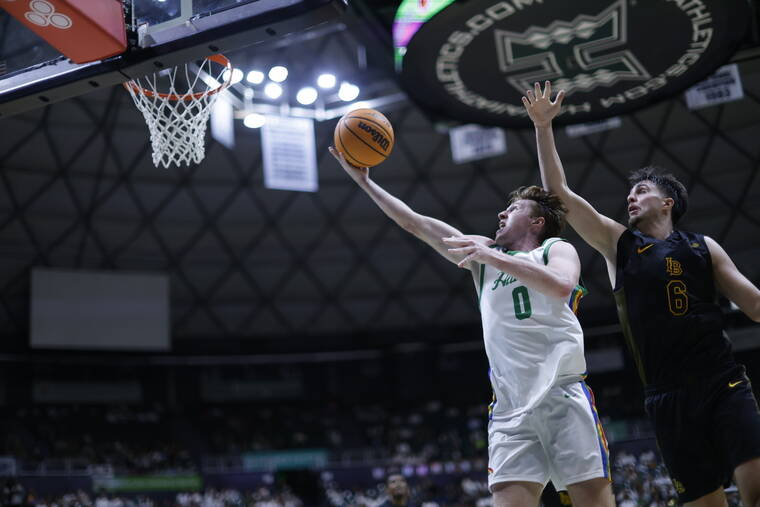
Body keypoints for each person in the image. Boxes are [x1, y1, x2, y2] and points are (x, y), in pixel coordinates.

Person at [329, 147, 615, 507]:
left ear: (536, 222)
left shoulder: (554, 248)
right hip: (510, 408)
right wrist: (365, 183)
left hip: (562, 395)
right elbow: (416, 223)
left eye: (512, 210)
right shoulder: (482, 261)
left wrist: (491, 254)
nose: (501, 213)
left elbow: (560, 286)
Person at [523, 80, 760, 506]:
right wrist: (543, 127)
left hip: (722, 380)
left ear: (668, 202)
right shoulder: (620, 245)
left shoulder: (703, 246)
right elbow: (560, 196)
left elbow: (756, 305)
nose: (631, 197)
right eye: (630, 192)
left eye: (642, 191)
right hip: (667, 397)